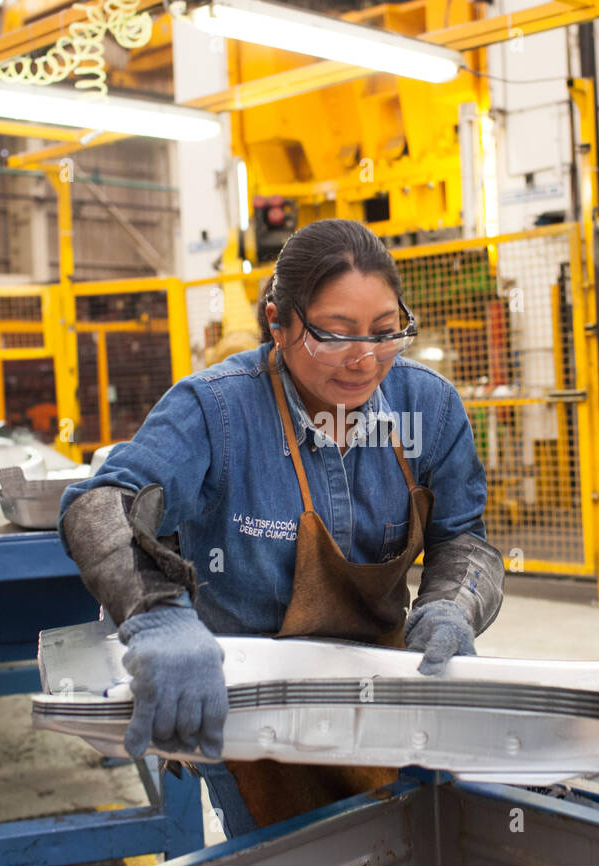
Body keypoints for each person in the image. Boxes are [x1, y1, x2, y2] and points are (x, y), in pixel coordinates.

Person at [58, 218, 504, 834]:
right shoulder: (216, 409)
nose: (364, 359)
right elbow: (101, 503)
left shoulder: (426, 406)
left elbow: (465, 540)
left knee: (409, 834)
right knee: (290, 848)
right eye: (335, 335)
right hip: (249, 702)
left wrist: (452, 607)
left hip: (382, 684)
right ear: (278, 322)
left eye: (384, 333)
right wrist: (158, 613)